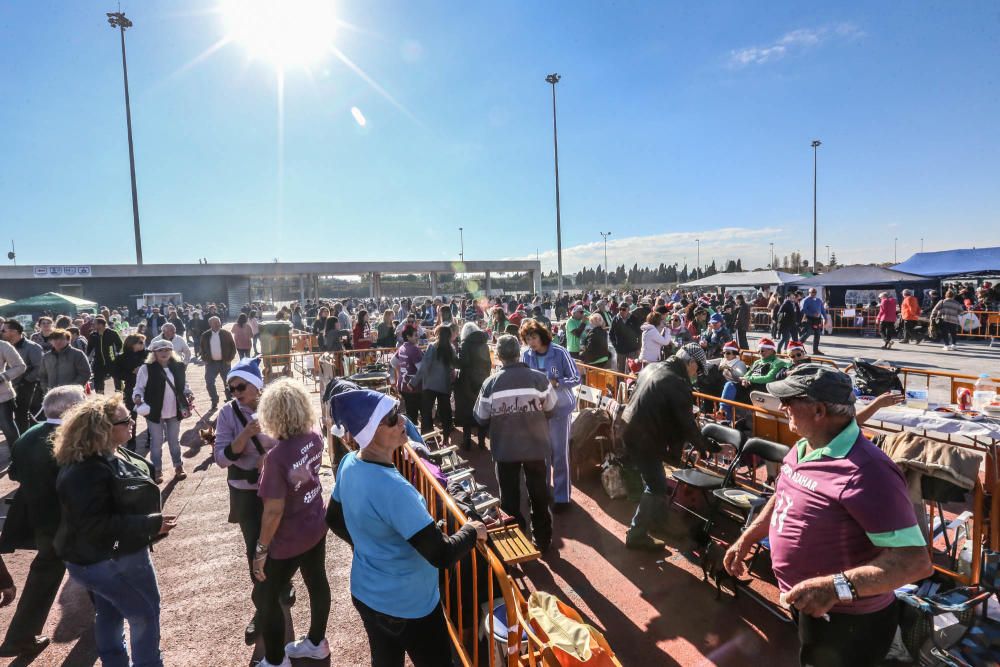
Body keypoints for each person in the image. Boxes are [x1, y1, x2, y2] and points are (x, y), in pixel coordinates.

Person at [724, 365, 932, 667]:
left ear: (819, 410)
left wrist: (835, 586)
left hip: (849, 622)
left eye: (790, 400)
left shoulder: (869, 472)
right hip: (811, 605)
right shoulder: (805, 446)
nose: (783, 408)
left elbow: (916, 562)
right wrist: (748, 537)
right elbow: (783, 496)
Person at [326, 389, 486, 666]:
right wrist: (472, 531)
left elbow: (333, 519)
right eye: (391, 419)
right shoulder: (396, 489)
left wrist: (370, 547)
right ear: (370, 431)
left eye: (397, 412)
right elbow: (441, 554)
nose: (402, 421)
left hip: (366, 591)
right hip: (410, 605)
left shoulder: (349, 464)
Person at [54, 393, 176, 667]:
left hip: (96, 558)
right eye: (126, 420)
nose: (133, 423)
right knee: (144, 614)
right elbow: (95, 525)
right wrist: (151, 523)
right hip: (113, 558)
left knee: (109, 612)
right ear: (103, 429)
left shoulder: (93, 457)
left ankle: (115, 662)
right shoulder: (88, 470)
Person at [0, 386, 86, 657]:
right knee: (101, 566)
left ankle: (19, 638)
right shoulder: (71, 437)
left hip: (39, 520)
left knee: (45, 576)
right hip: (72, 520)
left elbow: (14, 473)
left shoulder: (27, 436)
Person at [250, 379, 331, 667]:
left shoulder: (276, 457)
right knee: (317, 581)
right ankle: (316, 642)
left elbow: (273, 512)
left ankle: (274, 661)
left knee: (267, 598)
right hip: (315, 524)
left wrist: (260, 551)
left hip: (287, 539)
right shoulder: (314, 436)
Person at [213, 357, 284, 646]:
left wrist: (272, 457)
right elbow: (220, 458)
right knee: (255, 546)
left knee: (281, 538)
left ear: (256, 385)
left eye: (241, 386)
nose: (236, 392)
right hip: (245, 490)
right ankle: (262, 606)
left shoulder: (276, 405)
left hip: (277, 487)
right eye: (232, 388)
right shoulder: (227, 414)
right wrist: (245, 435)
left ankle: (283, 583)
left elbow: (296, 438)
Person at [622, 343, 707, 551]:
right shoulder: (677, 382)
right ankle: (637, 534)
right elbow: (686, 423)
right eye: (698, 369)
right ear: (691, 363)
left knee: (652, 479)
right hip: (646, 439)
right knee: (657, 485)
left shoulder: (652, 367)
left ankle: (654, 521)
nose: (697, 374)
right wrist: (707, 446)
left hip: (631, 431)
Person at [475, 335, 557, 551]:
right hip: (536, 446)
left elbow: (481, 417)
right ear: (518, 353)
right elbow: (551, 409)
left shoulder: (490, 384)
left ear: (499, 356)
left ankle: (516, 541)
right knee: (539, 493)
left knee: (509, 497)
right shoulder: (539, 379)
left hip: (505, 449)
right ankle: (543, 539)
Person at [520, 319, 580, 510]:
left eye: (534, 337)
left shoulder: (560, 352)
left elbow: (576, 377)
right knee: (541, 455)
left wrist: (558, 382)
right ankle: (542, 493)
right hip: (538, 412)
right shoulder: (526, 356)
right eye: (528, 338)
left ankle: (563, 498)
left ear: (542, 336)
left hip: (560, 411)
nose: (531, 342)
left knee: (560, 455)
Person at [133, 339, 193, 484]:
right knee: (156, 441)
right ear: (154, 353)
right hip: (154, 411)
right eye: (160, 350)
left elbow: (183, 384)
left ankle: (178, 466)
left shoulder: (178, 366)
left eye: (167, 349)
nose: (164, 353)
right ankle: (157, 470)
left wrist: (188, 393)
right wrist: (137, 396)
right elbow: (139, 387)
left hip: (174, 410)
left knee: (174, 441)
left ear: (171, 351)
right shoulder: (146, 368)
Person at [413, 325, 455, 440]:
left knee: (426, 412)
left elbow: (425, 367)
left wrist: (413, 382)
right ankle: (446, 436)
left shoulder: (432, 347)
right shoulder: (451, 348)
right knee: (445, 412)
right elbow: (453, 367)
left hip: (430, 384)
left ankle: (428, 437)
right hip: (444, 385)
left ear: (437, 334)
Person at [454, 322, 491, 450]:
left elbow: (463, 363)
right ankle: (482, 442)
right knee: (482, 410)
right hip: (482, 380)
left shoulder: (465, 344)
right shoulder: (484, 344)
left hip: (467, 381)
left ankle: (467, 441)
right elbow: (488, 364)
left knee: (467, 412)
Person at [2, 321, 44, 433]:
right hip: (8, 385)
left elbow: (39, 368)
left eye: (3, 330)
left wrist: (26, 380)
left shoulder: (33, 347)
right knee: (13, 414)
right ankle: (36, 432)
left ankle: (24, 439)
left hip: (25, 385)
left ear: (14, 332)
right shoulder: (5, 346)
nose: (1, 333)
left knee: (21, 413)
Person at [115, 334, 147, 452]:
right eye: (140, 342)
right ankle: (132, 440)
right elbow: (117, 374)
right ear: (132, 343)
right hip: (131, 389)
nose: (143, 345)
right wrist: (132, 373)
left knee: (151, 415)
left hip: (148, 389)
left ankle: (150, 437)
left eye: (143, 342)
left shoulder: (148, 355)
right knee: (132, 415)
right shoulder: (121, 357)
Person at [199, 316, 237, 408]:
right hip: (211, 363)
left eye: (218, 322)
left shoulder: (226, 333)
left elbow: (233, 347)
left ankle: (229, 399)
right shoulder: (205, 335)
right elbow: (202, 348)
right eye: (214, 323)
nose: (217, 324)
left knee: (228, 382)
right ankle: (214, 400)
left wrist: (229, 359)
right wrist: (205, 359)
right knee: (209, 382)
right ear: (210, 324)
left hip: (225, 363)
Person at [38, 328, 90, 393]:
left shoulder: (77, 354)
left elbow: (85, 373)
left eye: (62, 339)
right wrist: (46, 389)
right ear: (51, 341)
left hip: (73, 395)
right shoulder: (46, 356)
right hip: (52, 395)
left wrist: (72, 389)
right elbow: (42, 375)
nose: (58, 341)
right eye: (55, 339)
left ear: (68, 340)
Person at [393, 325, 424, 425]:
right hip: (413, 388)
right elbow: (422, 369)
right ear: (408, 336)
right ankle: (413, 438)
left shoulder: (402, 347)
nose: (418, 336)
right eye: (415, 335)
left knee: (409, 415)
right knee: (416, 417)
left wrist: (401, 374)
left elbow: (393, 362)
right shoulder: (414, 349)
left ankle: (410, 436)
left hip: (403, 386)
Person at [0, 337, 27, 449]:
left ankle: (18, 458)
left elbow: (21, 366)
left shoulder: (3, 345)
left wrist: (3, 377)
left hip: (2, 397)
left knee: (8, 429)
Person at [86, 317, 123, 394]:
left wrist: (115, 353)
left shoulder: (112, 333)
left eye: (94, 324)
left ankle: (119, 394)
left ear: (101, 325)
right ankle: (100, 397)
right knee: (98, 381)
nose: (92, 325)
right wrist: (87, 357)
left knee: (117, 378)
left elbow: (119, 344)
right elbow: (89, 348)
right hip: (98, 362)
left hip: (112, 361)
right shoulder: (93, 335)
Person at [609, 303, 639, 373]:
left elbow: (639, 334)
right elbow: (611, 334)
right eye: (619, 309)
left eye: (623, 309)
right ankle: (620, 383)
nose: (621, 311)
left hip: (632, 349)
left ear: (628, 310)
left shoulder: (634, 319)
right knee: (620, 369)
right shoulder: (615, 319)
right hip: (620, 349)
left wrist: (638, 347)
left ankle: (631, 383)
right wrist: (615, 345)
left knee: (632, 369)